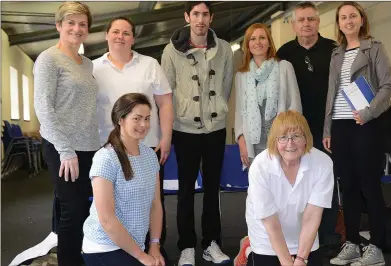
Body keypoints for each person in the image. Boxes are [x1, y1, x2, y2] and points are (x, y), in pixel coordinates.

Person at [92, 16, 173, 265]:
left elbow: (165, 102)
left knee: (149, 200)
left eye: (126, 32)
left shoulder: (149, 64)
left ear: (133, 38)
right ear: (106, 35)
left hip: (147, 145)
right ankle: (128, 250)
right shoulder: (93, 68)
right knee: (116, 204)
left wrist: (166, 138)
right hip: (110, 149)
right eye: (115, 31)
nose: (120, 36)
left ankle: (154, 247)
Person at [160, 2, 233, 266]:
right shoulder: (170, 51)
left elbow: (226, 85)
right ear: (187, 17)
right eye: (195, 14)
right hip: (184, 130)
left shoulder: (224, 49)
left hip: (215, 128)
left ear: (211, 17)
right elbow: (167, 92)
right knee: (186, 191)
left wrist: (217, 110)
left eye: (205, 14)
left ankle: (211, 244)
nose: (200, 20)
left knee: (213, 189)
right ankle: (187, 246)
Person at [323, 2, 391, 266]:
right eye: (343, 17)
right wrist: (328, 128)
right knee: (348, 187)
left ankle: (376, 248)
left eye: (353, 15)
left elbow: (387, 86)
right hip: (340, 126)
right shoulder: (336, 54)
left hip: (365, 124)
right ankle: (351, 242)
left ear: (361, 20)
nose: (348, 20)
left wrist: (369, 113)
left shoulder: (375, 48)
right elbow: (332, 93)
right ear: (339, 23)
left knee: (369, 187)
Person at [33, 2, 99, 265]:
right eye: (71, 22)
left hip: (88, 147)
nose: (77, 28)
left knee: (81, 208)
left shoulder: (87, 64)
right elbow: (44, 108)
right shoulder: (49, 58)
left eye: (82, 24)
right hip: (63, 149)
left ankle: (77, 257)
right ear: (59, 25)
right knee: (73, 210)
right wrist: (65, 150)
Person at [276, 1, 341, 250]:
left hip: (327, 128)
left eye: (311, 19)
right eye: (301, 20)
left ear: (318, 21)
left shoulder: (333, 49)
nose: (306, 24)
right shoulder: (283, 53)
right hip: (294, 130)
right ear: (293, 24)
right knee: (293, 180)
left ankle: (328, 234)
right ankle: (295, 233)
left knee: (326, 179)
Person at [82, 93, 165, 266]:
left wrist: (154, 245)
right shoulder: (105, 158)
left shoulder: (149, 156)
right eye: (137, 118)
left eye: (147, 118)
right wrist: (142, 257)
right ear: (121, 120)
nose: (143, 125)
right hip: (104, 247)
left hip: (135, 246)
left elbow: (156, 205)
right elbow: (106, 220)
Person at [245, 110, 334, 266]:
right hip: (266, 238)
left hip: (305, 238)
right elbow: (270, 222)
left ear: (306, 139)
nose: (290, 144)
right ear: (274, 140)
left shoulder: (323, 163)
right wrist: (286, 262)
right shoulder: (260, 166)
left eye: (296, 136)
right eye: (283, 137)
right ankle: (247, 249)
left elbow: (312, 216)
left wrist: (300, 259)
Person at [235, 23, 302, 168]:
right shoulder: (242, 75)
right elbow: (239, 112)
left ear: (269, 43)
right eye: (252, 39)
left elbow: (295, 106)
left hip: (283, 141)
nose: (257, 42)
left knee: (282, 186)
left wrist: (291, 140)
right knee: (259, 188)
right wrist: (241, 143)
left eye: (262, 38)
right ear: (247, 45)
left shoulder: (284, 67)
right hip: (253, 143)